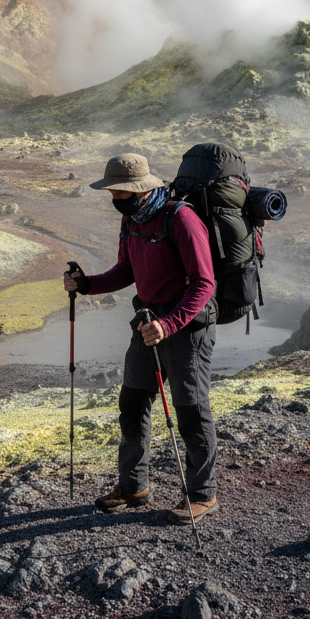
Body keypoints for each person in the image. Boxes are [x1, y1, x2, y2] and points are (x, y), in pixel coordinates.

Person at [63, 153, 219, 525]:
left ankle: (202, 494)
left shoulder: (181, 219)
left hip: (186, 329)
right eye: (113, 193)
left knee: (190, 410)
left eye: (120, 193)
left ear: (140, 189)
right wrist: (86, 285)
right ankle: (134, 486)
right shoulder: (131, 220)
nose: (115, 199)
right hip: (147, 321)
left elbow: (204, 284)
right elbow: (125, 271)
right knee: (133, 403)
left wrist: (169, 324)